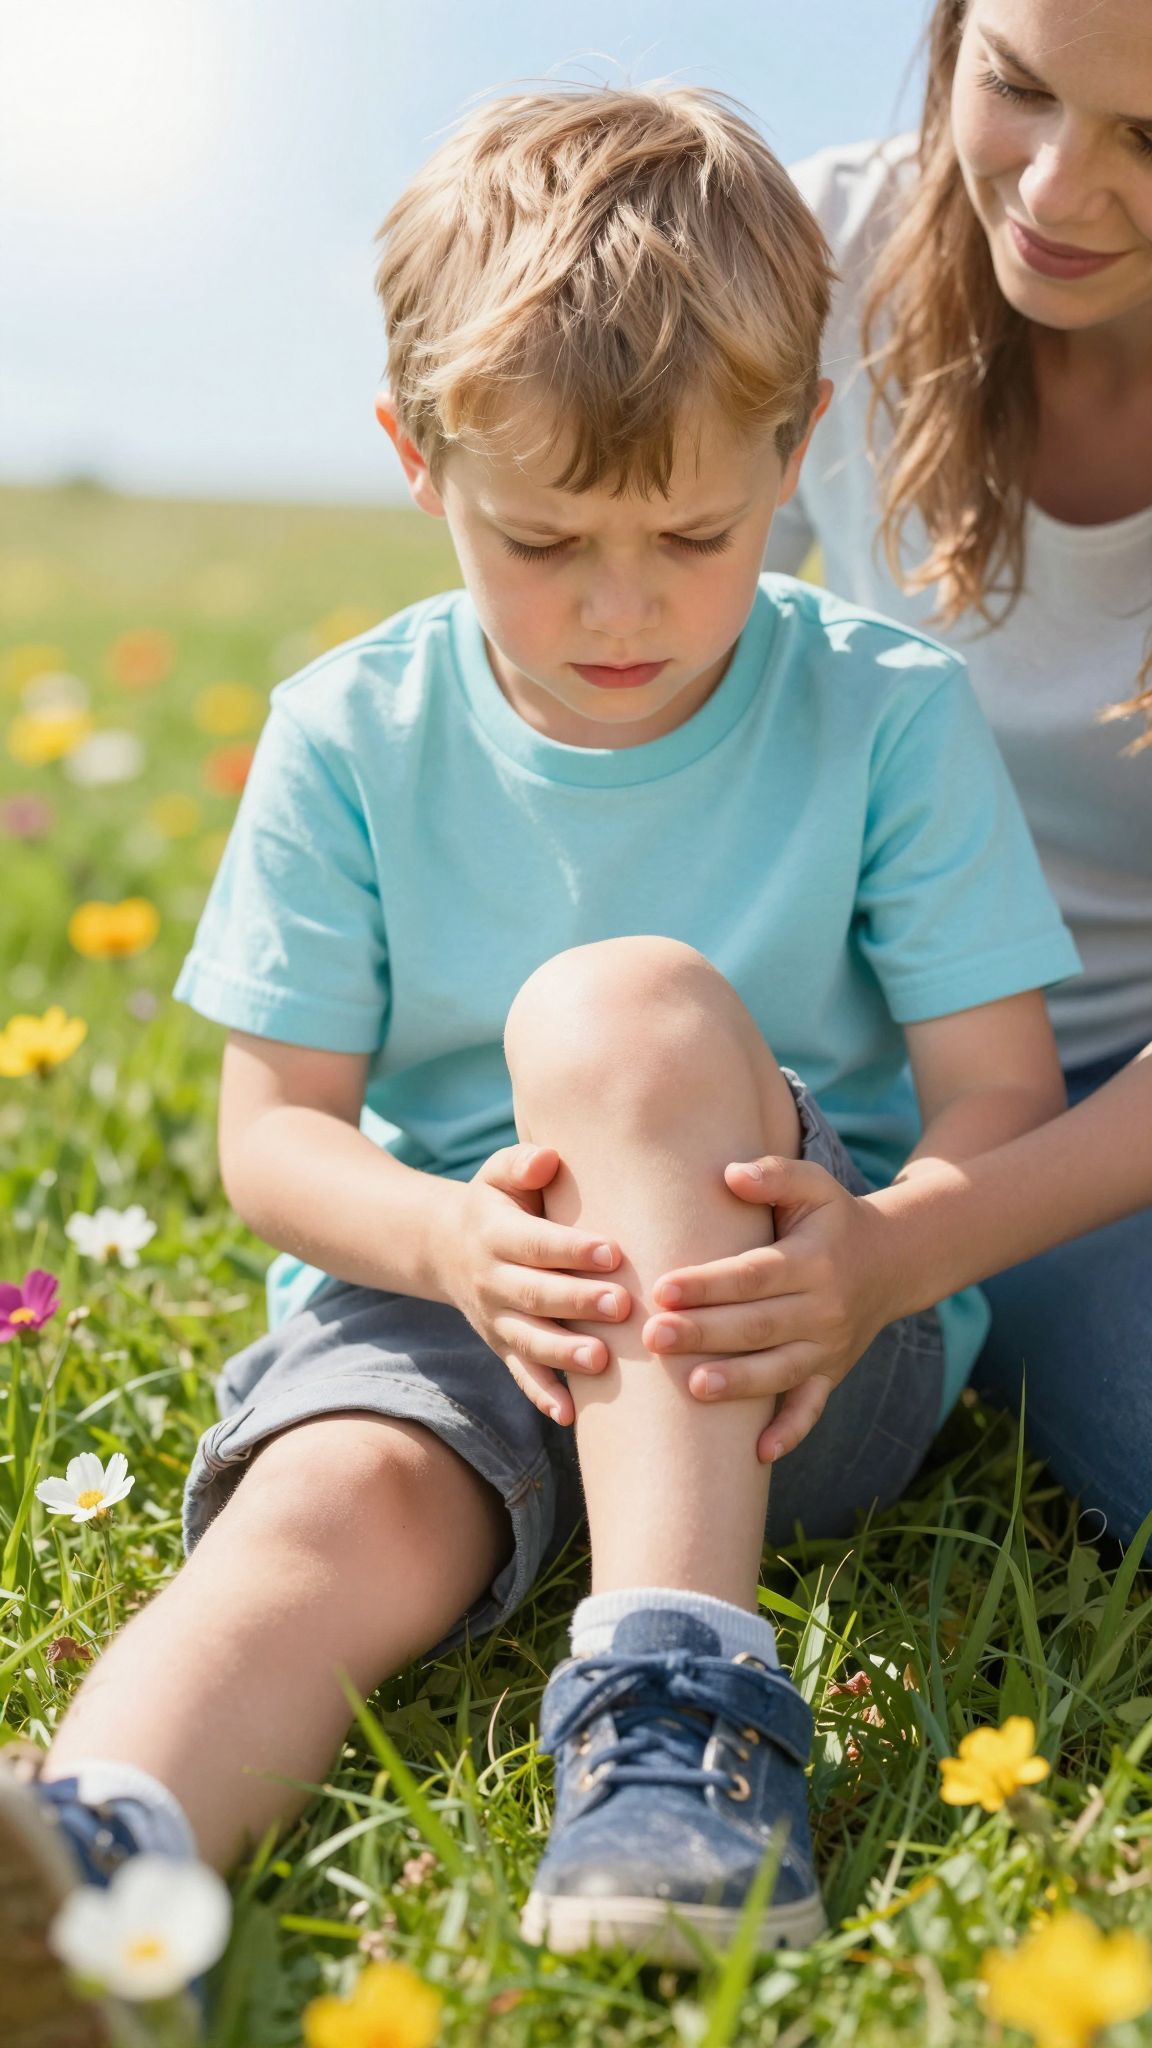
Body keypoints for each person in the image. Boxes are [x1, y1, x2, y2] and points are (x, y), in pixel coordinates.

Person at [0, 86, 1079, 2036]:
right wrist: (447, 1248)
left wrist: (886, 1245)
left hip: (781, 1323)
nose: (621, 606)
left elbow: (1003, 1087)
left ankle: (687, 1709)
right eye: (542, 535)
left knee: (621, 1009)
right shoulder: (350, 730)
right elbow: (277, 1139)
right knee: (330, 1509)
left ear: (797, 452)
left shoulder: (880, 710)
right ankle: (104, 1864)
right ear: (418, 461)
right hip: (469, 1301)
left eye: (694, 531)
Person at [761, 0, 1152, 1544]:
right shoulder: (827, 248)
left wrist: (903, 1253)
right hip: (871, 1074)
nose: (1055, 194)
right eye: (1015, 86)